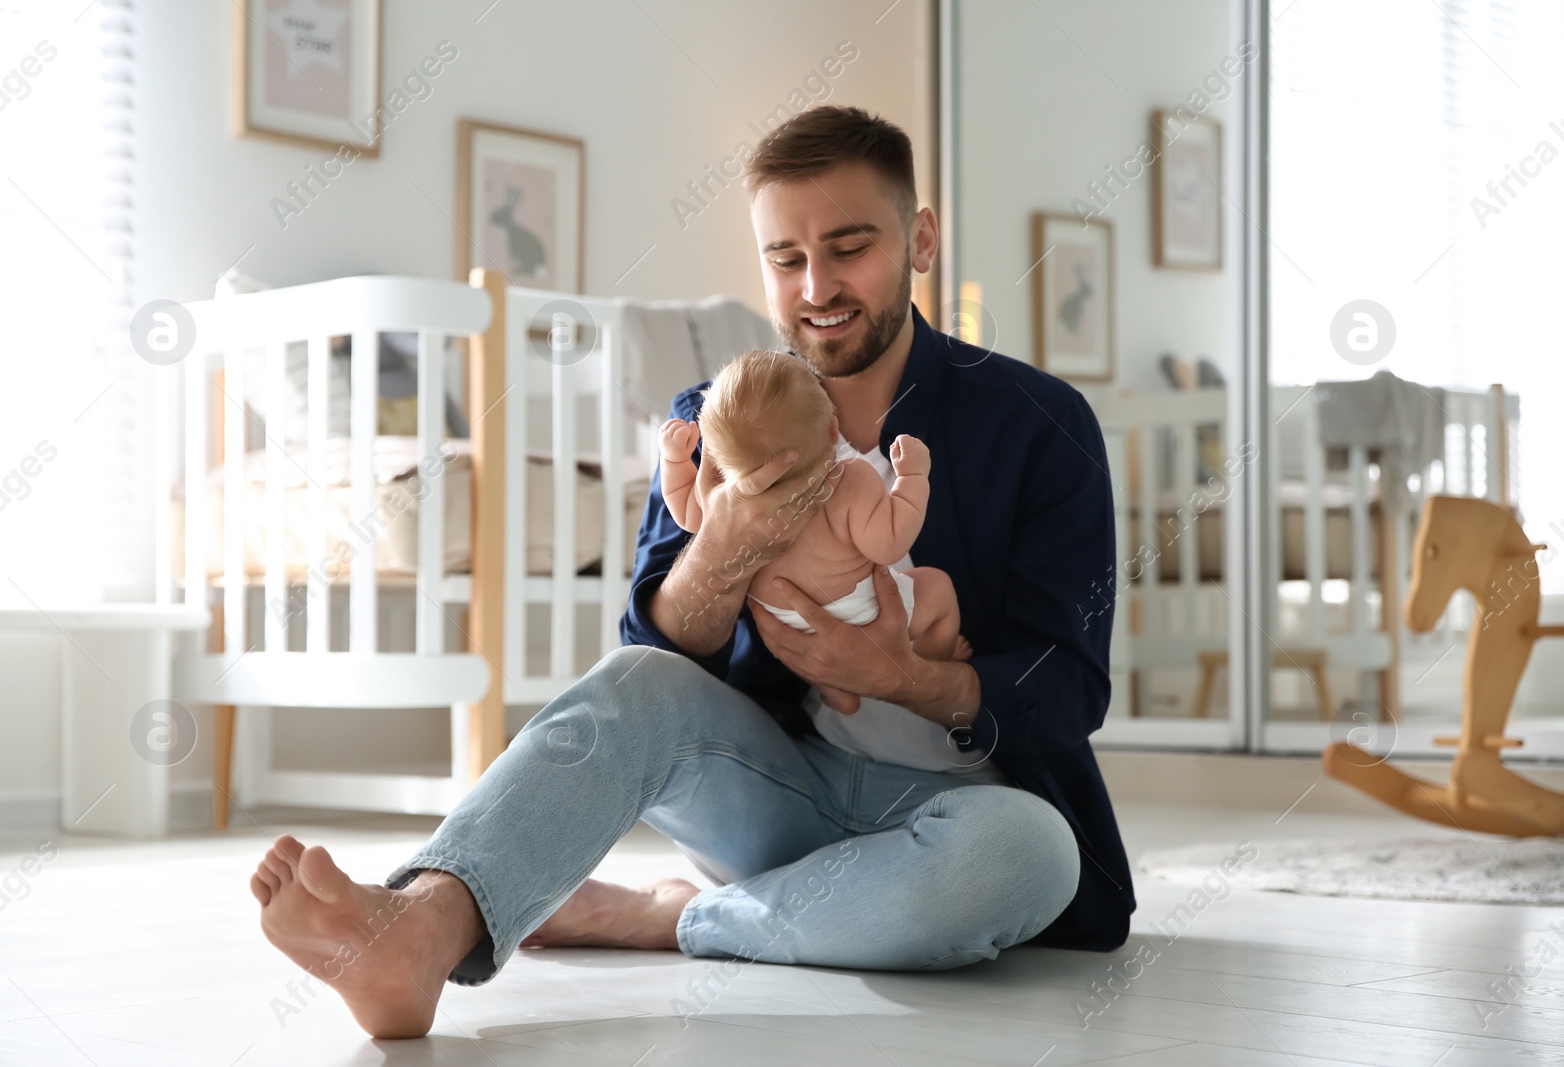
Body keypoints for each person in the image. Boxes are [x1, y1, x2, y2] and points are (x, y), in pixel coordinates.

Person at [250, 104, 1133, 1040]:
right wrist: (722, 546)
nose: (817, 286)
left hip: (962, 813)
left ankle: (667, 915)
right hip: (776, 797)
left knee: (1035, 854)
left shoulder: (1042, 422)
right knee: (632, 680)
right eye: (785, 258)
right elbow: (654, 675)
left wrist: (900, 676)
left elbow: (1067, 689)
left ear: (919, 240)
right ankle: (418, 931)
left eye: (849, 247)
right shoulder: (715, 418)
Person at [658, 348, 969, 663]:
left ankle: (838, 693)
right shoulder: (850, 480)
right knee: (938, 588)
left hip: (785, 620)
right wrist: (913, 476)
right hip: (858, 613)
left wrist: (675, 461)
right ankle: (930, 659)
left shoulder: (728, 501)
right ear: (833, 430)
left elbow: (685, 512)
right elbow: (889, 544)